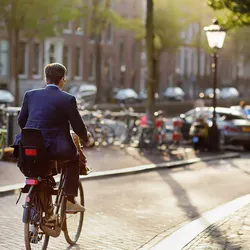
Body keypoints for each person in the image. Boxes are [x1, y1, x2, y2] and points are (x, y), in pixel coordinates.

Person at [15, 63, 89, 214]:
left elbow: (21, 121)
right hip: (57, 148)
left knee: (37, 161)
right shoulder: (68, 99)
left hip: (30, 145)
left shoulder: (30, 95)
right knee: (73, 159)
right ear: (62, 80)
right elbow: (77, 126)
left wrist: (33, 135)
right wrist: (86, 139)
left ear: (45, 78)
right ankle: (69, 200)